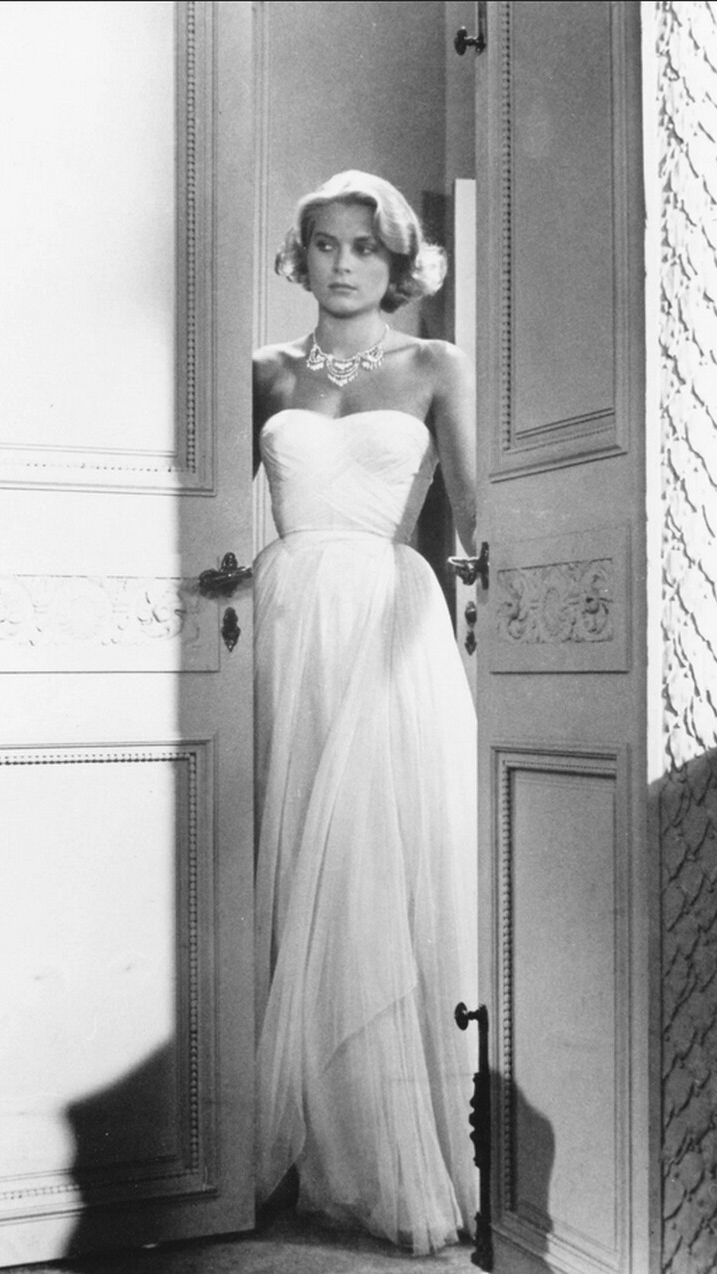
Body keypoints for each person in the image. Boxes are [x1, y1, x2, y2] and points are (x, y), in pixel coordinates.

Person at [252, 170, 478, 1256]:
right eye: (325, 244)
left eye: (364, 247)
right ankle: (276, 1150)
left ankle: (379, 1150)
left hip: (390, 623)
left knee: (375, 867)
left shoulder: (432, 365)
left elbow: (474, 513)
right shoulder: (266, 371)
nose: (342, 265)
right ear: (301, 256)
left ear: (398, 262)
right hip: (282, 626)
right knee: (287, 863)